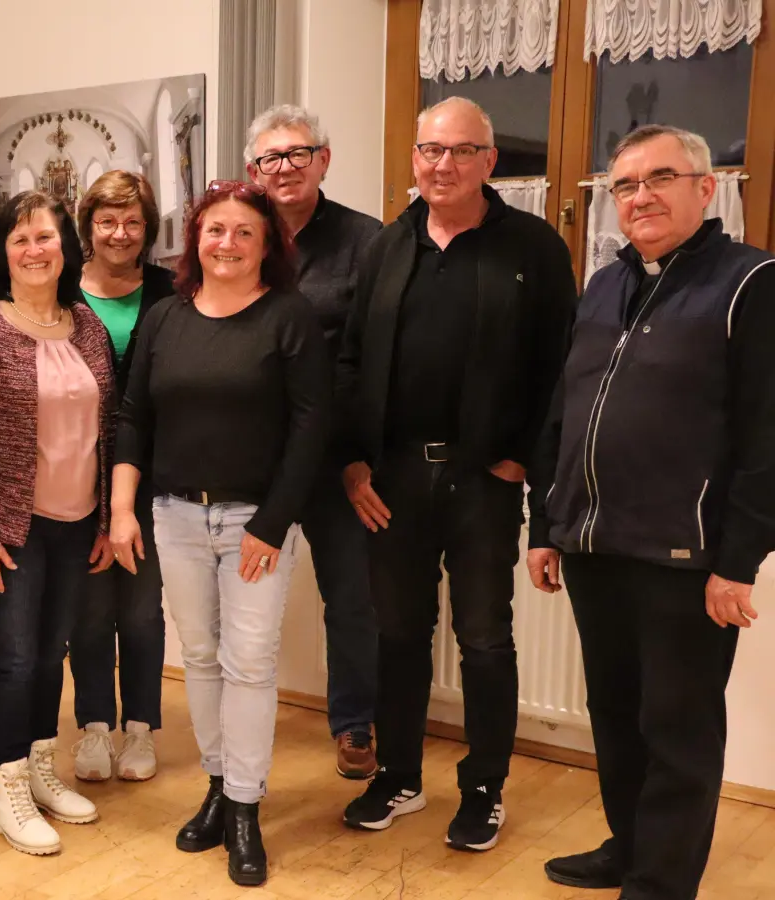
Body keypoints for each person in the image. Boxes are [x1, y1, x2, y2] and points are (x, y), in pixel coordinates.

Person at [528, 124, 775, 900]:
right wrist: (546, 525)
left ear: (706, 188)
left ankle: (661, 884)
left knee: (677, 729)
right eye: (625, 184)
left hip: (685, 556)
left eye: (660, 178)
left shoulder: (752, 283)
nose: (641, 196)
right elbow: (564, 412)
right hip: (593, 546)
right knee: (617, 715)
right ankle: (630, 847)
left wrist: (738, 561)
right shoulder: (604, 284)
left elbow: (767, 436)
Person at [337, 96, 576, 852]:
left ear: (489, 161)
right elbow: (350, 359)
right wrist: (353, 463)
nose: (443, 165)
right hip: (393, 479)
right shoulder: (386, 246)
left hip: (484, 480)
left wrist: (522, 459)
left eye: (461, 150)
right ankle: (399, 777)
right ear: (414, 157)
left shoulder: (534, 247)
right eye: (430, 150)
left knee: (484, 639)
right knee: (399, 634)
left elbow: (560, 369)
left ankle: (483, 790)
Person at [111, 181, 328, 886]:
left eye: (244, 232)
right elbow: (133, 417)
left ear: (267, 245)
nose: (227, 243)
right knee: (200, 658)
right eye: (215, 230)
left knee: (250, 663)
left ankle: (244, 807)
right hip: (174, 516)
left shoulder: (289, 317)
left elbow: (311, 428)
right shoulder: (165, 318)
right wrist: (123, 509)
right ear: (195, 238)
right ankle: (216, 786)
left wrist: (273, 522)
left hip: (254, 523)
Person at [0, 190, 116, 857]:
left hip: (78, 521)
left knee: (51, 653)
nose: (36, 250)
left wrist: (106, 517)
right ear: (1, 252)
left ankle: (40, 764)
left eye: (47, 237)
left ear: (66, 249)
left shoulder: (87, 325)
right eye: (21, 239)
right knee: (12, 658)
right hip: (12, 528)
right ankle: (7, 781)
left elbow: (109, 428)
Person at [244, 104, 383, 780]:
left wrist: (357, 458)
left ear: (324, 160)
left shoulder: (368, 241)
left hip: (336, 457)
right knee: (240, 595)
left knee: (351, 595)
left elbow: (372, 359)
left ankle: (355, 722)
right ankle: (238, 723)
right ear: (254, 171)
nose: (285, 167)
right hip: (253, 454)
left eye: (299, 153)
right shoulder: (238, 234)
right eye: (271, 157)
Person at [67, 170, 175, 784]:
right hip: (73, 471)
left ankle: (139, 726)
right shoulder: (62, 290)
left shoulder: (169, 290)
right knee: (87, 610)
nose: (119, 233)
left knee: (139, 608)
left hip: (151, 472)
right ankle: (93, 725)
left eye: (133, 222)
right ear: (89, 225)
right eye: (107, 221)